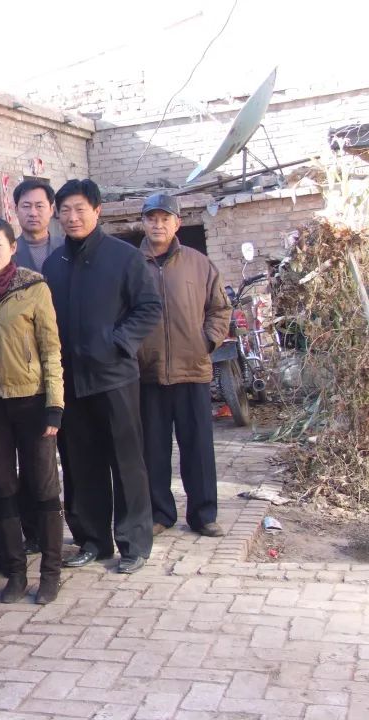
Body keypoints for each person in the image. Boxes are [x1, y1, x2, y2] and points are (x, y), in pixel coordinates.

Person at [42, 179, 162, 574]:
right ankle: (93, 540)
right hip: (71, 381)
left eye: (80, 209)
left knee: (126, 462)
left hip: (114, 377)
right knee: (80, 463)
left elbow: (148, 307)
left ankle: (134, 543)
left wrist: (117, 343)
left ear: (97, 211)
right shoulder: (53, 264)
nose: (72, 217)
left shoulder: (124, 257)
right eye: (65, 210)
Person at [0, 218, 65, 604]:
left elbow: (51, 350)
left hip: (33, 401)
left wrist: (55, 404)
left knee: (43, 486)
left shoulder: (34, 288)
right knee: (2, 488)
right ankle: (17, 572)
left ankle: (51, 572)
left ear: (12, 248)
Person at [136, 193, 231, 538]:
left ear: (177, 223)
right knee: (153, 450)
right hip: (148, 373)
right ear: (142, 223)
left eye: (165, 218)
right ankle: (160, 513)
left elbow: (220, 309)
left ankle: (204, 514)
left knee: (198, 448)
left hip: (192, 369)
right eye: (152, 218)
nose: (158, 225)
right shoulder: (131, 264)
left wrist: (207, 342)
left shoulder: (198, 263)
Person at [12, 179, 68, 554]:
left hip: (64, 362)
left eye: (39, 205)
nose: (33, 213)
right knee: (29, 457)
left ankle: (75, 526)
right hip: (24, 372)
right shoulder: (7, 252)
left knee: (71, 453)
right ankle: (32, 531)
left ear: (51, 209)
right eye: (26, 206)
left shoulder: (67, 249)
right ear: (15, 209)